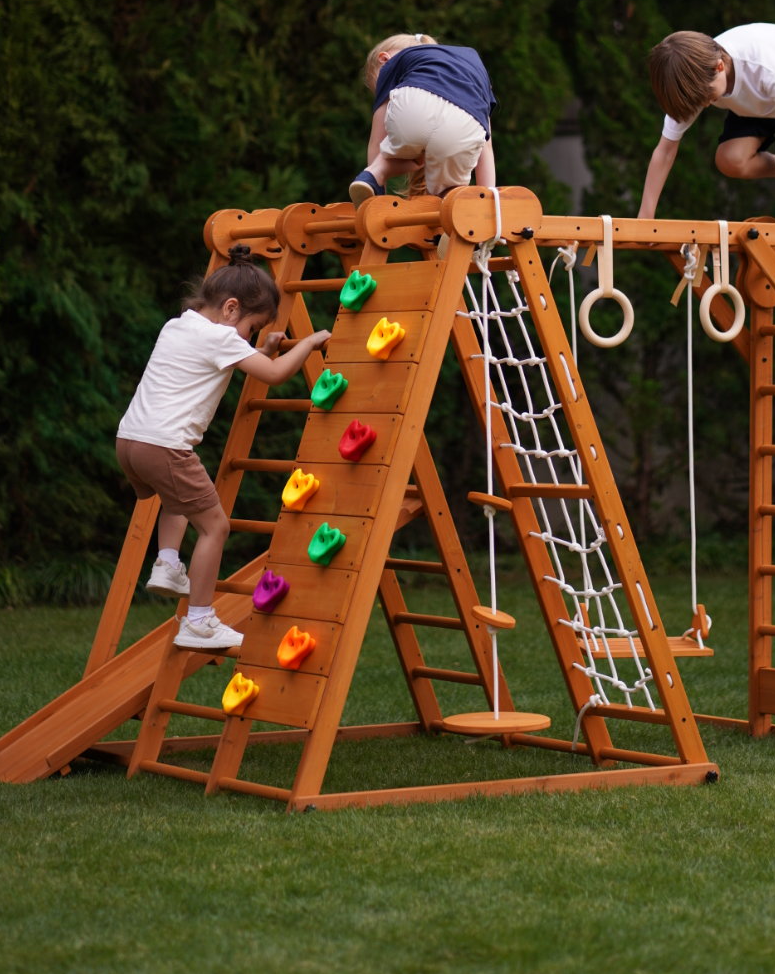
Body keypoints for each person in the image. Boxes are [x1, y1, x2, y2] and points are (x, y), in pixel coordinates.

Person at [116, 250, 330, 650]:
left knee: (175, 498)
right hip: (165, 447)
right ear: (231, 309)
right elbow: (277, 375)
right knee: (215, 527)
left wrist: (259, 349)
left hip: (130, 443)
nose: (247, 337)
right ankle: (199, 621)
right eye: (251, 328)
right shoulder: (221, 337)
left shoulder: (178, 327)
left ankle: (166, 563)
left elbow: (222, 363)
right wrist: (312, 342)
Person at [638, 24, 775, 250]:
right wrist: (646, 217)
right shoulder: (692, 80)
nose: (704, 104)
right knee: (729, 159)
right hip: (759, 101)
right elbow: (665, 150)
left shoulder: (766, 67)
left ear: (719, 66)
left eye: (708, 96)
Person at [349, 32, 497, 208]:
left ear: (384, 58)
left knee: (391, 159)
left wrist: (377, 195)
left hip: (413, 109)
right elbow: (486, 147)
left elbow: (376, 142)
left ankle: (374, 175)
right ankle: (448, 215)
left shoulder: (392, 64)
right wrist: (488, 201)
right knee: (449, 192)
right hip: (464, 125)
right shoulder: (472, 68)